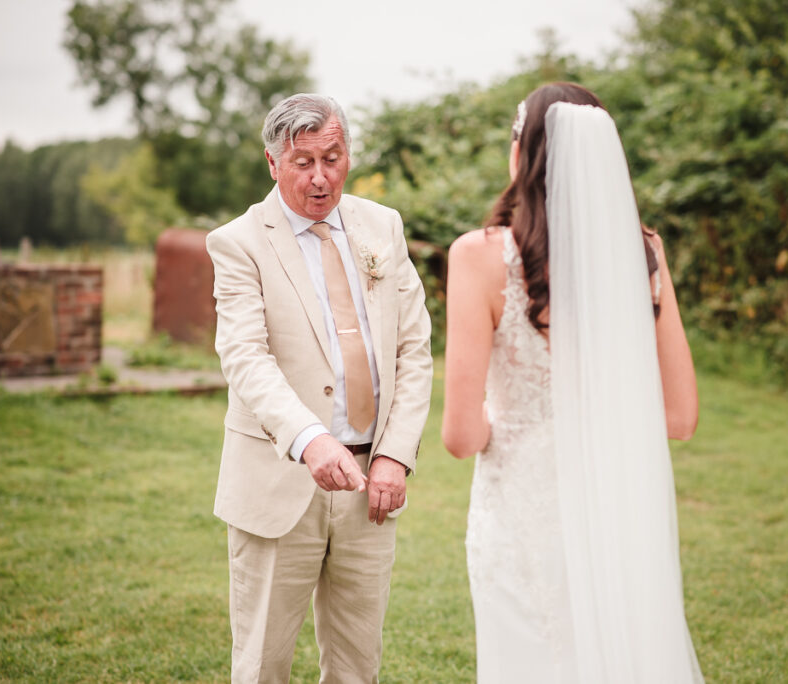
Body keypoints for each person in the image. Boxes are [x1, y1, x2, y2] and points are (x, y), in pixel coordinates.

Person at [441, 83, 704, 683]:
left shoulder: (479, 256)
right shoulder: (645, 256)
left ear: (521, 154)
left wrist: (508, 414)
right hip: (618, 502)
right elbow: (680, 417)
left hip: (522, 513)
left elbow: (460, 435)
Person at [206, 93, 432, 683]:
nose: (320, 176)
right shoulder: (238, 242)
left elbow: (414, 350)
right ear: (272, 163)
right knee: (263, 666)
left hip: (371, 490)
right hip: (279, 485)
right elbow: (245, 356)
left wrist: (394, 455)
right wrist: (309, 439)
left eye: (332, 158)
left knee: (359, 668)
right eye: (303, 162)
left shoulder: (382, 226)